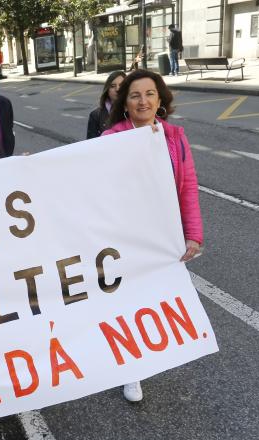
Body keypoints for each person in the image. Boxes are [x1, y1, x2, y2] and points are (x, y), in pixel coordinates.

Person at [102, 69, 204, 403]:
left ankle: (148, 355)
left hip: (163, 235)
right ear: (125, 103)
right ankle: (132, 370)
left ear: (160, 99)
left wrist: (193, 235)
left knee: (155, 300)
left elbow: (187, 189)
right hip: (125, 237)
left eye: (149, 94)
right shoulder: (111, 138)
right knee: (127, 302)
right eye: (134, 95)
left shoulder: (175, 136)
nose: (142, 101)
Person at [87, 71, 126, 139]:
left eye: (121, 85)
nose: (117, 89)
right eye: (113, 86)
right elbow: (91, 145)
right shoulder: (95, 115)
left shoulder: (134, 111)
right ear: (107, 90)